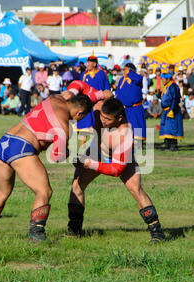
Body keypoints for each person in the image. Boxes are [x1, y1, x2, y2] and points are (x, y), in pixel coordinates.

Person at [0, 92, 94, 242]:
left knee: (3, 190)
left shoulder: (55, 98)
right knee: (44, 191)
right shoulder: (64, 126)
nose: (77, 121)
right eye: (80, 118)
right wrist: (79, 158)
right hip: (22, 147)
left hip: (4, 142)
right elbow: (56, 156)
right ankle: (36, 235)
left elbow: (65, 94)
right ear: (80, 112)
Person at [68, 98, 166, 243]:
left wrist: (89, 163)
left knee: (136, 190)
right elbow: (86, 94)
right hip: (97, 152)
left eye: (107, 119)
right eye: (102, 116)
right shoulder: (99, 109)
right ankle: (74, 230)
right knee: (76, 186)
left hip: (119, 159)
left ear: (119, 118)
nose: (103, 121)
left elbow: (116, 170)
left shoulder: (125, 134)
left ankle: (157, 233)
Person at [77, 55, 111, 133]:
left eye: (89, 62)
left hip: (98, 102)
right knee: (84, 126)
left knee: (99, 125)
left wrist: (105, 100)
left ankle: (97, 144)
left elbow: (106, 88)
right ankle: (83, 145)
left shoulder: (101, 74)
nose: (87, 64)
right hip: (86, 102)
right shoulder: (84, 74)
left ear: (94, 64)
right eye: (87, 62)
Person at [115, 63, 146, 143]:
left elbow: (138, 79)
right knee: (125, 127)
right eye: (124, 69)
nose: (124, 71)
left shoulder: (137, 77)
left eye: (126, 69)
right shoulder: (122, 79)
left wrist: (130, 72)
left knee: (137, 126)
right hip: (125, 109)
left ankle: (139, 143)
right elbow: (118, 92)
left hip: (135, 108)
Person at [159, 72, 183, 151]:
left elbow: (175, 98)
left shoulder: (173, 86)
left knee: (172, 128)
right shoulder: (166, 86)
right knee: (166, 128)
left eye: (163, 79)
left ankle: (173, 145)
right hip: (166, 110)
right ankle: (167, 144)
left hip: (172, 110)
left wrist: (172, 110)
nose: (162, 80)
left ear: (168, 79)